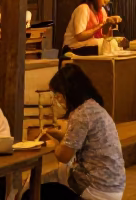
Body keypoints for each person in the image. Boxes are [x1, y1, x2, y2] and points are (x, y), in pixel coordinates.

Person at [37, 65, 126, 200]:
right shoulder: (93, 107)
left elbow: (64, 156)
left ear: (69, 92)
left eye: (58, 96)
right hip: (114, 186)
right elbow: (80, 141)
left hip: (97, 189)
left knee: (36, 193)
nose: (57, 100)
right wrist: (60, 135)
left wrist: (52, 144)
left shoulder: (81, 114)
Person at [61, 0, 122, 64]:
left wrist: (109, 23)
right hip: (73, 47)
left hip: (89, 44)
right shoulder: (83, 9)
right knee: (106, 45)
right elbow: (79, 36)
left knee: (115, 42)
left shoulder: (102, 11)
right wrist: (100, 25)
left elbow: (104, 35)